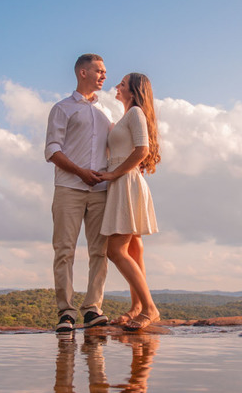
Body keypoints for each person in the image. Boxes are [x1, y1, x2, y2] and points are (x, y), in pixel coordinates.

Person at [45, 54, 114, 332]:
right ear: (82, 72)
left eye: (105, 72)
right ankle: (66, 312)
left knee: (100, 251)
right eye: (99, 71)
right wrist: (80, 172)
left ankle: (93, 308)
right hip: (68, 188)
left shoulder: (108, 112)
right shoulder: (62, 108)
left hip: (101, 189)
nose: (104, 76)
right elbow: (52, 150)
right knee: (64, 250)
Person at [98, 73, 161, 331]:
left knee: (115, 251)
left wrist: (114, 173)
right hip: (125, 182)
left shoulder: (135, 113)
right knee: (134, 250)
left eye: (122, 84)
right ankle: (137, 307)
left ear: (133, 92)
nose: (116, 86)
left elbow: (142, 150)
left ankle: (150, 308)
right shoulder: (127, 116)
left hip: (125, 182)